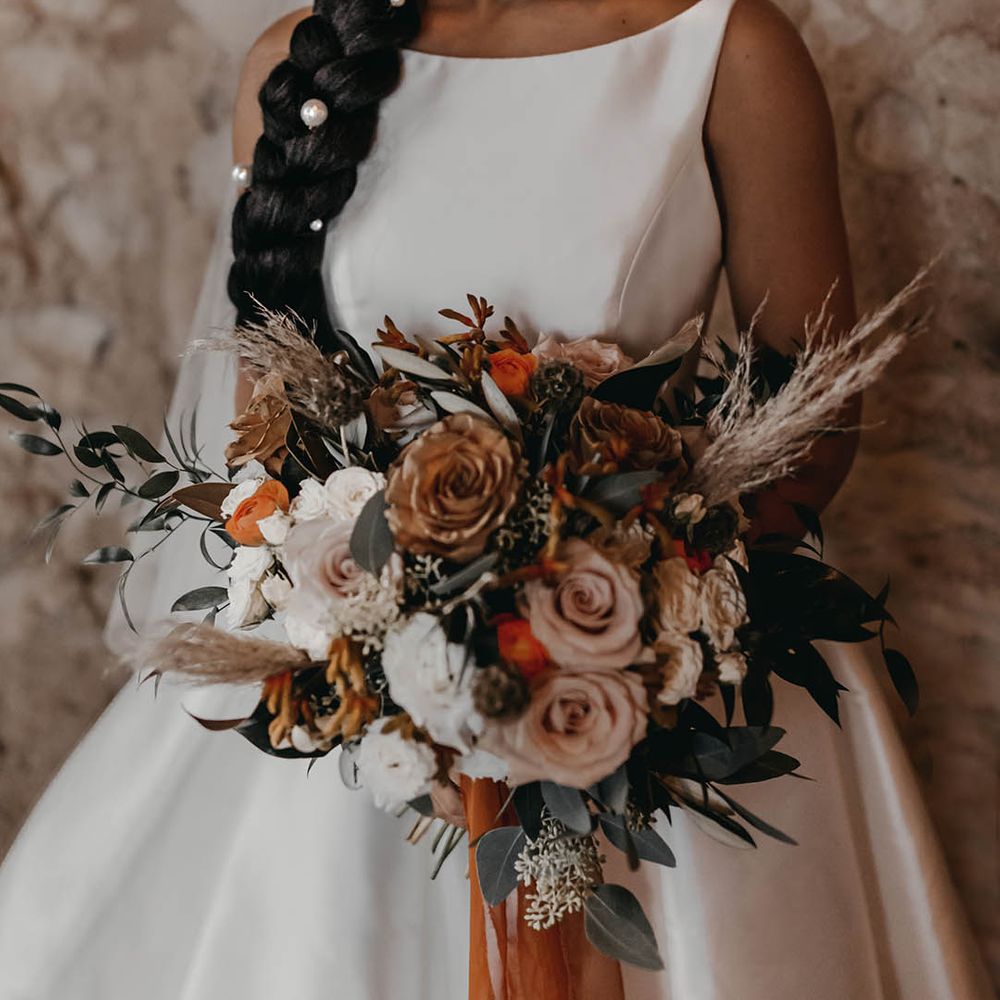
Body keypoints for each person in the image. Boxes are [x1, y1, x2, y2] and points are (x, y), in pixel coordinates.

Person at [0, 1, 992, 997]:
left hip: (651, 666)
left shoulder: (729, 50)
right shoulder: (299, 66)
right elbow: (266, 443)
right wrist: (395, 653)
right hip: (364, 687)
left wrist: (625, 626)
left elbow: (811, 419)